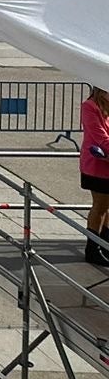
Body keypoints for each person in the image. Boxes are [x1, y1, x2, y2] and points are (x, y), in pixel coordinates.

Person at [84, 85, 109, 264]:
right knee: (100, 206)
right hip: (97, 165)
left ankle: (105, 241)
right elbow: (100, 137)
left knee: (108, 206)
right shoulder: (90, 106)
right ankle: (93, 248)